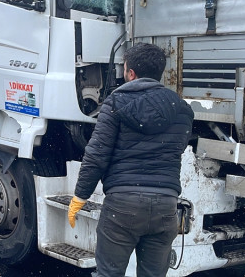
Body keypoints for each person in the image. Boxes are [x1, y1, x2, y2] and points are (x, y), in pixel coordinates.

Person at [68, 43, 194, 277]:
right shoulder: (183, 110)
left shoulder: (115, 104)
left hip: (122, 207)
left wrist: (80, 196)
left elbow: (97, 155)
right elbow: (177, 148)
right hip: (166, 208)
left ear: (131, 73)